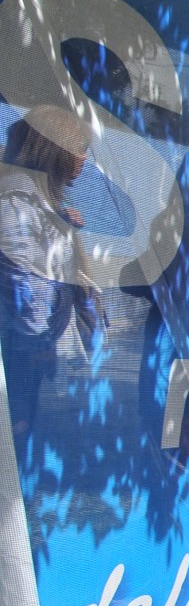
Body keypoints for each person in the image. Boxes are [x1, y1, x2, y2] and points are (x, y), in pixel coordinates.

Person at [0, 107, 101, 469]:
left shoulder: (39, 203)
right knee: (18, 444)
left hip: (32, 353)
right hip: (24, 355)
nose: (85, 159)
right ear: (54, 149)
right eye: (80, 148)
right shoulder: (17, 204)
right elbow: (27, 296)